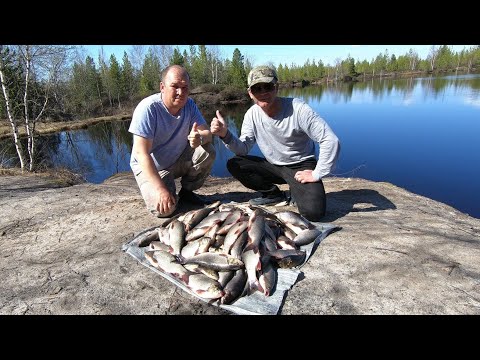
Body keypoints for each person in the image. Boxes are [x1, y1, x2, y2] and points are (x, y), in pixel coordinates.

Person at [210, 65, 340, 222]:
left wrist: (317, 173)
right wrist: (225, 134)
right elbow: (242, 149)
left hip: (300, 165)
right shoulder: (252, 114)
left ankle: (295, 188)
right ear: (250, 93)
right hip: (274, 166)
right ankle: (273, 194)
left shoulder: (298, 109)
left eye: (268, 86)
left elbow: (330, 140)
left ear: (276, 87)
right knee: (235, 163)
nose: (263, 92)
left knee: (314, 214)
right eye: (257, 88)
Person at [128, 64, 215, 218]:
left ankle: (187, 192)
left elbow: (207, 133)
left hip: (176, 160)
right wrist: (161, 189)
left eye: (185, 87)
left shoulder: (189, 104)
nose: (181, 92)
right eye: (175, 86)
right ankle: (165, 187)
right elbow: (141, 154)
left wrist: (200, 138)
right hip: (153, 168)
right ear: (162, 87)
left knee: (207, 150)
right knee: (165, 210)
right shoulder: (148, 109)